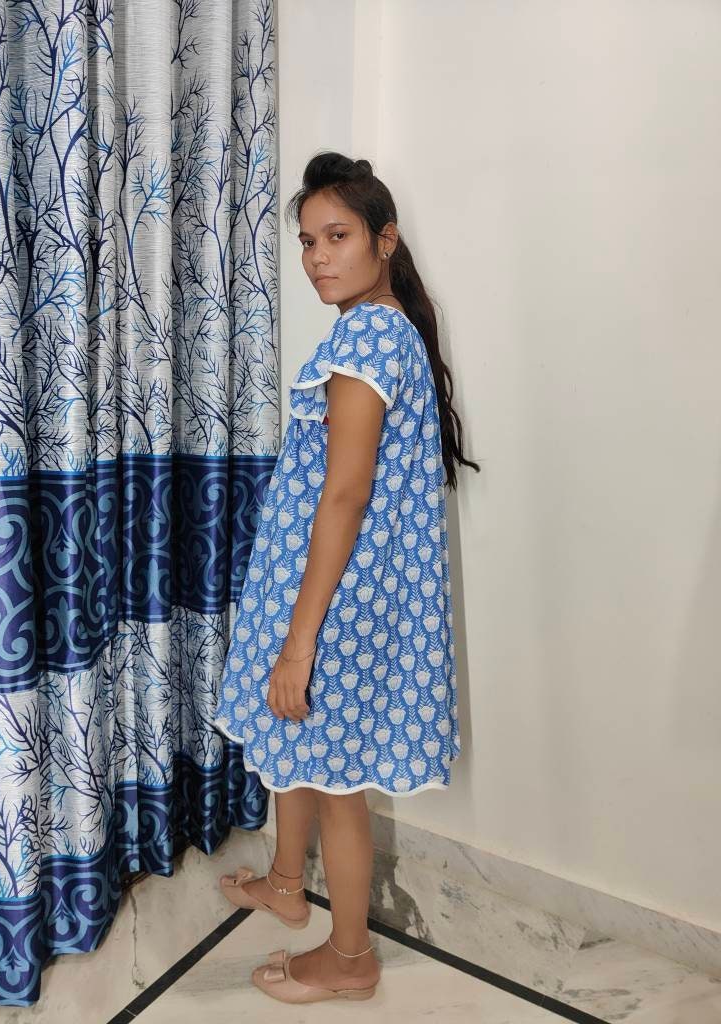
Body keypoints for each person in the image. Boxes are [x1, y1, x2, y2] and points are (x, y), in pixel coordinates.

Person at [213, 151, 480, 1004]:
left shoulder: (368, 337)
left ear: (383, 240)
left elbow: (345, 492)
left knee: (336, 782)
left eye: (337, 237)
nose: (318, 257)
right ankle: (287, 884)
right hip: (320, 584)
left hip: (333, 599)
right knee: (293, 742)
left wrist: (300, 641)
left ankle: (351, 959)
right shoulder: (383, 328)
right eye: (307, 241)